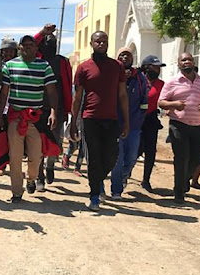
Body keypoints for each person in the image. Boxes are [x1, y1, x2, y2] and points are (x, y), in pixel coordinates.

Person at [69, 31, 129, 211]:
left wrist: (126, 121)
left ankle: (97, 179)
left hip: (111, 119)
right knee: (94, 158)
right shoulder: (83, 68)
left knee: (112, 156)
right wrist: (73, 123)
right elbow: (77, 98)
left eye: (104, 41)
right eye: (98, 41)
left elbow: (122, 94)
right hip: (90, 119)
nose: (101, 44)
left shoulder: (116, 66)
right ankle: (94, 195)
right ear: (91, 43)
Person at [0, 35, 58, 202]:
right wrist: (0, 117)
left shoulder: (44, 66)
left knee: (36, 156)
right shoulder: (10, 66)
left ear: (36, 48)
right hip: (15, 117)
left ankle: (32, 178)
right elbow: (4, 94)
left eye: (31, 45)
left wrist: (53, 112)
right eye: (24, 46)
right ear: (20, 48)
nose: (28, 48)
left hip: (35, 119)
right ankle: (17, 192)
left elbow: (51, 91)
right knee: (15, 157)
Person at [158, 53, 200, 203]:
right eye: (183, 60)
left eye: (189, 59)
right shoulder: (172, 82)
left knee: (197, 157)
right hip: (178, 124)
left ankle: (184, 181)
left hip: (198, 125)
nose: (187, 62)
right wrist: (174, 104)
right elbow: (161, 102)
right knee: (181, 158)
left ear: (193, 62)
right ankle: (178, 193)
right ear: (179, 64)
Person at [35, 27, 72, 190]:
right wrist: (42, 32)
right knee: (37, 144)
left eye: (53, 41)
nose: (50, 44)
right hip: (37, 108)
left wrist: (67, 110)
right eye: (46, 41)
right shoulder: (36, 60)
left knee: (55, 142)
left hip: (58, 108)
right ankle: (39, 175)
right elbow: (31, 41)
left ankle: (50, 165)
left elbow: (67, 84)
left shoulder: (63, 61)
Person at [110, 48, 148, 199]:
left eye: (128, 55)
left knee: (132, 158)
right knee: (118, 159)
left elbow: (144, 101)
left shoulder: (139, 77)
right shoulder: (111, 75)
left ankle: (124, 176)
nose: (125, 57)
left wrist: (139, 119)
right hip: (115, 124)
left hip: (134, 126)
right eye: (122, 55)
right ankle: (116, 190)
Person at [138, 54, 165, 192]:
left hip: (151, 120)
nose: (158, 70)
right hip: (136, 118)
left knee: (150, 151)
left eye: (159, 67)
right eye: (155, 67)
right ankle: (125, 173)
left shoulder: (161, 85)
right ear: (146, 67)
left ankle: (146, 180)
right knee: (136, 149)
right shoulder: (137, 80)